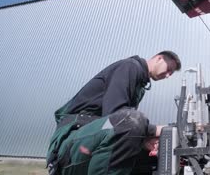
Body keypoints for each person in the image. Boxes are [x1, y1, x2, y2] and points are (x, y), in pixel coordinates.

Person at [46, 51, 181, 175]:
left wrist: (145, 140)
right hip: (72, 140)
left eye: (171, 73)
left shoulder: (140, 84)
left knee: (151, 157)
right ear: (159, 58)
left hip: (92, 137)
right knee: (131, 120)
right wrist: (155, 130)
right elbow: (114, 114)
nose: (168, 75)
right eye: (169, 69)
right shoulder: (130, 67)